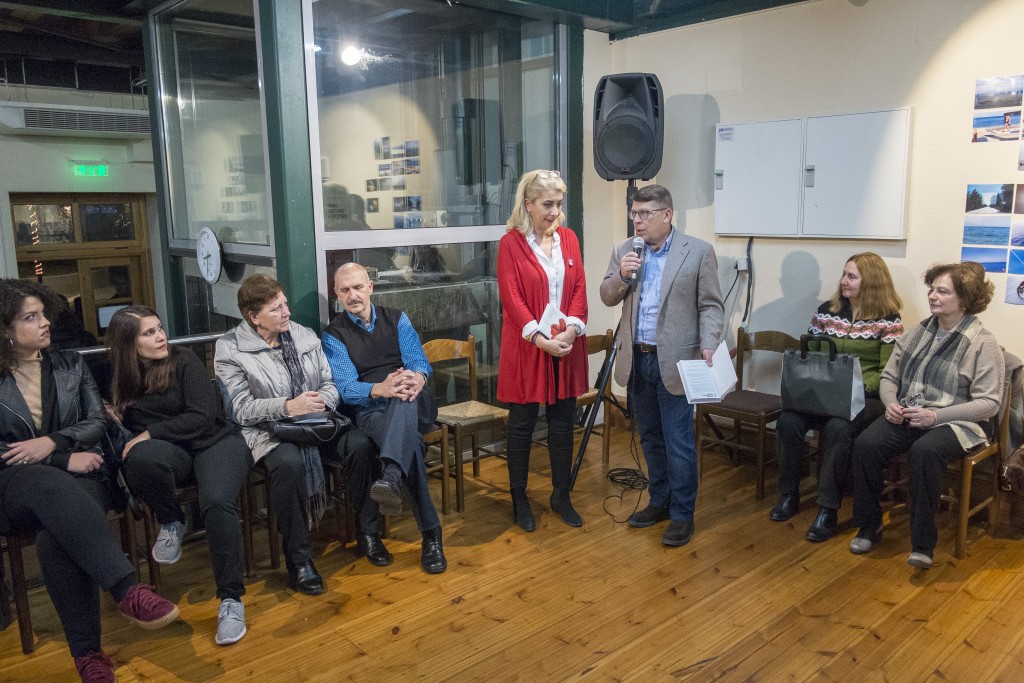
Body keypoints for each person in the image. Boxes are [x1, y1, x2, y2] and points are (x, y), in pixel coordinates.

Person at [0, 279, 178, 683]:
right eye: (31, 317)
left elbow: (97, 420)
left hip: (82, 476)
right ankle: (126, 589)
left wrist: (52, 442)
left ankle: (88, 657)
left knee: (54, 538)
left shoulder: (70, 364)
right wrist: (61, 456)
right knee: (46, 483)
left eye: (44, 314)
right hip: (14, 484)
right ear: (5, 329)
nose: (46, 322)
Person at [108, 306, 252, 645]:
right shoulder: (115, 374)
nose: (161, 337)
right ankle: (171, 520)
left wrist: (149, 433)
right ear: (128, 343)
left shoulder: (183, 360)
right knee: (139, 459)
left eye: (160, 328)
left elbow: (203, 416)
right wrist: (103, 408)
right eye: (149, 332)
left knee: (216, 501)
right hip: (174, 451)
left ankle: (231, 601)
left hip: (215, 441)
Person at [849, 262, 1003, 568]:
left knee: (925, 451)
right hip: (912, 412)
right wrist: (890, 403)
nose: (932, 296)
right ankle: (869, 526)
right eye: (932, 289)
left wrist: (936, 416)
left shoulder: (983, 343)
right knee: (866, 445)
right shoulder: (917, 332)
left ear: (965, 300)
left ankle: (923, 544)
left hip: (959, 421)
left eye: (942, 291)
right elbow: (889, 377)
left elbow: (989, 403)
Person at [599, 184, 725, 547]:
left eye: (645, 214)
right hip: (637, 359)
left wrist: (710, 342)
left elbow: (711, 305)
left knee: (678, 442)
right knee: (650, 438)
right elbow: (607, 296)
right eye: (634, 214)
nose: (637, 221)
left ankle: (683, 515)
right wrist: (622, 275)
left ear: (667, 215)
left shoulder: (697, 252)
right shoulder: (626, 250)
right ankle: (660, 501)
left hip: (677, 362)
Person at [215, 274, 340, 595]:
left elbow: (329, 382)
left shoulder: (303, 334)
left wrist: (322, 401)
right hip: (266, 431)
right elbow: (239, 409)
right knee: (289, 463)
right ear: (253, 316)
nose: (287, 312)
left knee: (358, 444)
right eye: (276, 309)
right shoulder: (230, 347)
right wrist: (288, 406)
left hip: (313, 422)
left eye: (285, 304)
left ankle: (367, 534)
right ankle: (299, 559)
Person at [769, 253, 904, 542]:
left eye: (852, 276)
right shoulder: (827, 311)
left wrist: (853, 386)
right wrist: (827, 385)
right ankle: (788, 494)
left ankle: (827, 508)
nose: (844, 281)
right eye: (844, 274)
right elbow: (811, 356)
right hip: (824, 393)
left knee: (838, 428)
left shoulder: (889, 320)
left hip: (866, 397)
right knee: (788, 421)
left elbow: (887, 372)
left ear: (871, 281)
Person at [322, 262, 447, 574]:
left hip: (415, 402)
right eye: (345, 290)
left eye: (358, 287)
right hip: (371, 408)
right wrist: (380, 388)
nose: (353, 295)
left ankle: (378, 510)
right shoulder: (334, 334)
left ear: (370, 287)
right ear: (336, 294)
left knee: (404, 394)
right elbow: (346, 388)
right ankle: (431, 535)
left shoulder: (397, 318)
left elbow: (418, 359)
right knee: (411, 444)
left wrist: (417, 377)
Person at [496, 169, 589, 530]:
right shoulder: (510, 244)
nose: (555, 212)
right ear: (528, 205)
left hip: (564, 344)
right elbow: (512, 298)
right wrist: (539, 338)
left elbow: (579, 287)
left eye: (559, 204)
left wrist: (571, 330)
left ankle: (561, 495)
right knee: (521, 425)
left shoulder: (569, 238)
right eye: (547, 204)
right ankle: (519, 498)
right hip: (527, 346)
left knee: (563, 423)